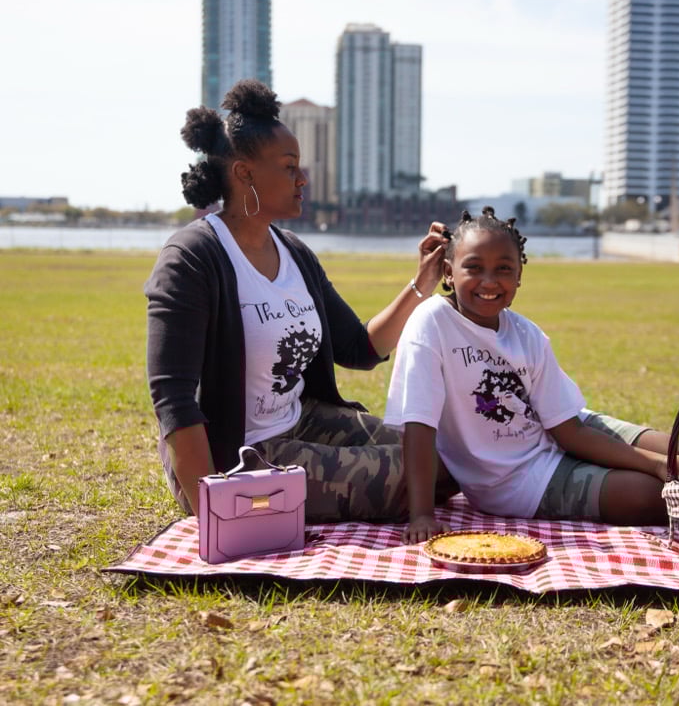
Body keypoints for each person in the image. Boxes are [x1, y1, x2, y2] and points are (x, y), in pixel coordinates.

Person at [145, 79, 456, 522]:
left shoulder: (293, 252)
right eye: (290, 167)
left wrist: (422, 282)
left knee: (441, 453)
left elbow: (361, 348)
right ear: (244, 174)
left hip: (302, 422)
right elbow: (173, 398)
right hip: (235, 456)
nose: (302, 179)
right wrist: (213, 512)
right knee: (422, 472)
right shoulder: (192, 258)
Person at [383, 208, 679, 543]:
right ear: (449, 272)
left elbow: (569, 431)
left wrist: (656, 462)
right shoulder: (431, 322)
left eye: (503, 269)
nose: (490, 281)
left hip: (559, 434)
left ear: (519, 276)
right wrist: (422, 514)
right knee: (653, 496)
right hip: (516, 479)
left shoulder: (527, 333)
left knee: (677, 453)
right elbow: (419, 426)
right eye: (474, 267)